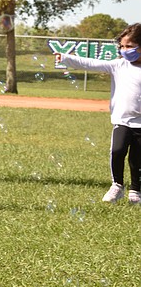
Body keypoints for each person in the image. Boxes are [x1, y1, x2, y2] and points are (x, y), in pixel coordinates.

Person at [56, 23, 141, 203]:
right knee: (117, 151)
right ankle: (117, 185)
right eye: (122, 46)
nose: (125, 50)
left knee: (137, 159)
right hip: (123, 120)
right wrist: (65, 58)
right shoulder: (119, 65)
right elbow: (92, 63)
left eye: (130, 46)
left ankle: (136, 191)